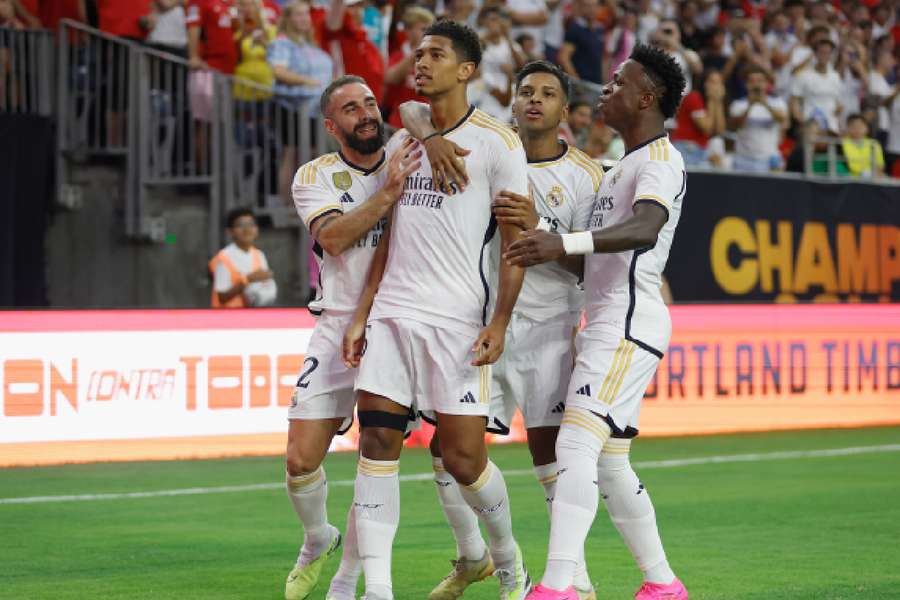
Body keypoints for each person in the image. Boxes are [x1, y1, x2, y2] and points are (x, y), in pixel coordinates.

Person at [342, 19, 532, 600]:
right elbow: (390, 235)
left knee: (463, 460)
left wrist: (499, 321)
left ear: (467, 70)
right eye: (418, 53)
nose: (420, 63)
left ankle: (508, 563)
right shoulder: (406, 141)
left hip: (457, 322)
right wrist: (362, 312)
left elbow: (517, 242)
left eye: (436, 54)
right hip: (393, 315)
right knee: (377, 445)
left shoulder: (499, 144)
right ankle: (378, 589)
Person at [400, 59, 603, 600]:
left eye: (548, 93)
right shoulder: (489, 146)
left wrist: (544, 230)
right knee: (446, 449)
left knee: (551, 456)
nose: (535, 100)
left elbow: (595, 265)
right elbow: (410, 108)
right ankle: (474, 557)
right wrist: (426, 133)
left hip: (550, 330)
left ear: (565, 109)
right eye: (525, 91)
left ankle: (573, 577)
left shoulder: (586, 175)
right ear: (512, 102)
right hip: (482, 322)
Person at [507, 43, 689, 600]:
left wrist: (563, 238)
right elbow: (592, 260)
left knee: (575, 448)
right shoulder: (620, 167)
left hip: (629, 322)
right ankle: (662, 584)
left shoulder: (660, 159)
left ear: (647, 96)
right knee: (608, 461)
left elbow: (645, 228)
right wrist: (550, 242)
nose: (606, 90)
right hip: (609, 319)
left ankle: (558, 586)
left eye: (618, 81)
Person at [283, 74, 423, 600]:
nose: (364, 113)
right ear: (330, 125)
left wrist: (413, 123)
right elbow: (336, 237)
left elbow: (418, 109)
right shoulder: (314, 176)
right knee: (300, 459)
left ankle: (350, 583)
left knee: (376, 456)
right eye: (349, 108)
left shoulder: (407, 152)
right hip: (336, 322)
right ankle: (319, 537)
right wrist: (388, 192)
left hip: (395, 323)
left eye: (369, 103)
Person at [268, 0, 333, 205]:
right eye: (298, 14)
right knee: (291, 152)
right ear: (287, 19)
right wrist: (308, 81)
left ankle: (309, 202)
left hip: (316, 109)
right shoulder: (282, 42)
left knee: (314, 155)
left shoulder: (310, 44)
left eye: (306, 14)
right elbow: (278, 71)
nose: (304, 19)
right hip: (292, 106)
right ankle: (286, 203)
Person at [210, 208, 277, 308]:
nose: (247, 229)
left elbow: (263, 286)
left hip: (253, 315)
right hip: (226, 317)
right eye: (240, 225)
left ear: (257, 229)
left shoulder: (259, 255)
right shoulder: (223, 257)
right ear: (230, 231)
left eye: (251, 224)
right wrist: (247, 280)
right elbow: (221, 297)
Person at [383, 6, 435, 129]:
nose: (428, 34)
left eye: (430, 29)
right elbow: (389, 78)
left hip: (429, 125)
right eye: (423, 29)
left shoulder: (436, 57)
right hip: (399, 125)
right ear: (408, 31)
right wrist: (416, 53)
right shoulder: (399, 55)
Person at [729, 66, 788, 172]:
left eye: (760, 81)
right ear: (746, 85)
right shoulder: (738, 104)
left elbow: (782, 119)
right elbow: (735, 125)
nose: (756, 85)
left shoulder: (777, 102)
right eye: (752, 81)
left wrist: (764, 103)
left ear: (766, 84)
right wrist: (750, 106)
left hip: (770, 159)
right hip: (743, 159)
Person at [670, 68, 726, 167]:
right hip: (686, 148)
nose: (716, 87)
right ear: (704, 83)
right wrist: (712, 101)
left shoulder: (712, 101)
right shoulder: (694, 97)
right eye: (712, 82)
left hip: (700, 150)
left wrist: (719, 102)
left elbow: (719, 130)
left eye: (719, 83)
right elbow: (707, 128)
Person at [790, 38, 843, 135]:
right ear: (815, 54)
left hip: (831, 127)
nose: (825, 56)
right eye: (822, 52)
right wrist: (799, 119)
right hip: (810, 124)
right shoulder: (803, 75)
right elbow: (794, 100)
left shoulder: (835, 76)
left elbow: (837, 101)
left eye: (828, 53)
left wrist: (839, 114)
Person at [558, 0, 605, 85]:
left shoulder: (600, 29)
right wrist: (577, 80)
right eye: (588, 6)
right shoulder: (575, 28)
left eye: (594, 6)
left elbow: (601, 57)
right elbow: (563, 57)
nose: (591, 9)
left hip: (596, 83)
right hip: (582, 85)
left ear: (599, 8)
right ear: (582, 8)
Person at [841, 113, 885, 178]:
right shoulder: (842, 142)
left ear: (867, 128)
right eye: (853, 126)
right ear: (848, 128)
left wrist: (873, 175)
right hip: (849, 179)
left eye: (860, 126)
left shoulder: (874, 143)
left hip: (871, 179)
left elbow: (880, 165)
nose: (857, 129)